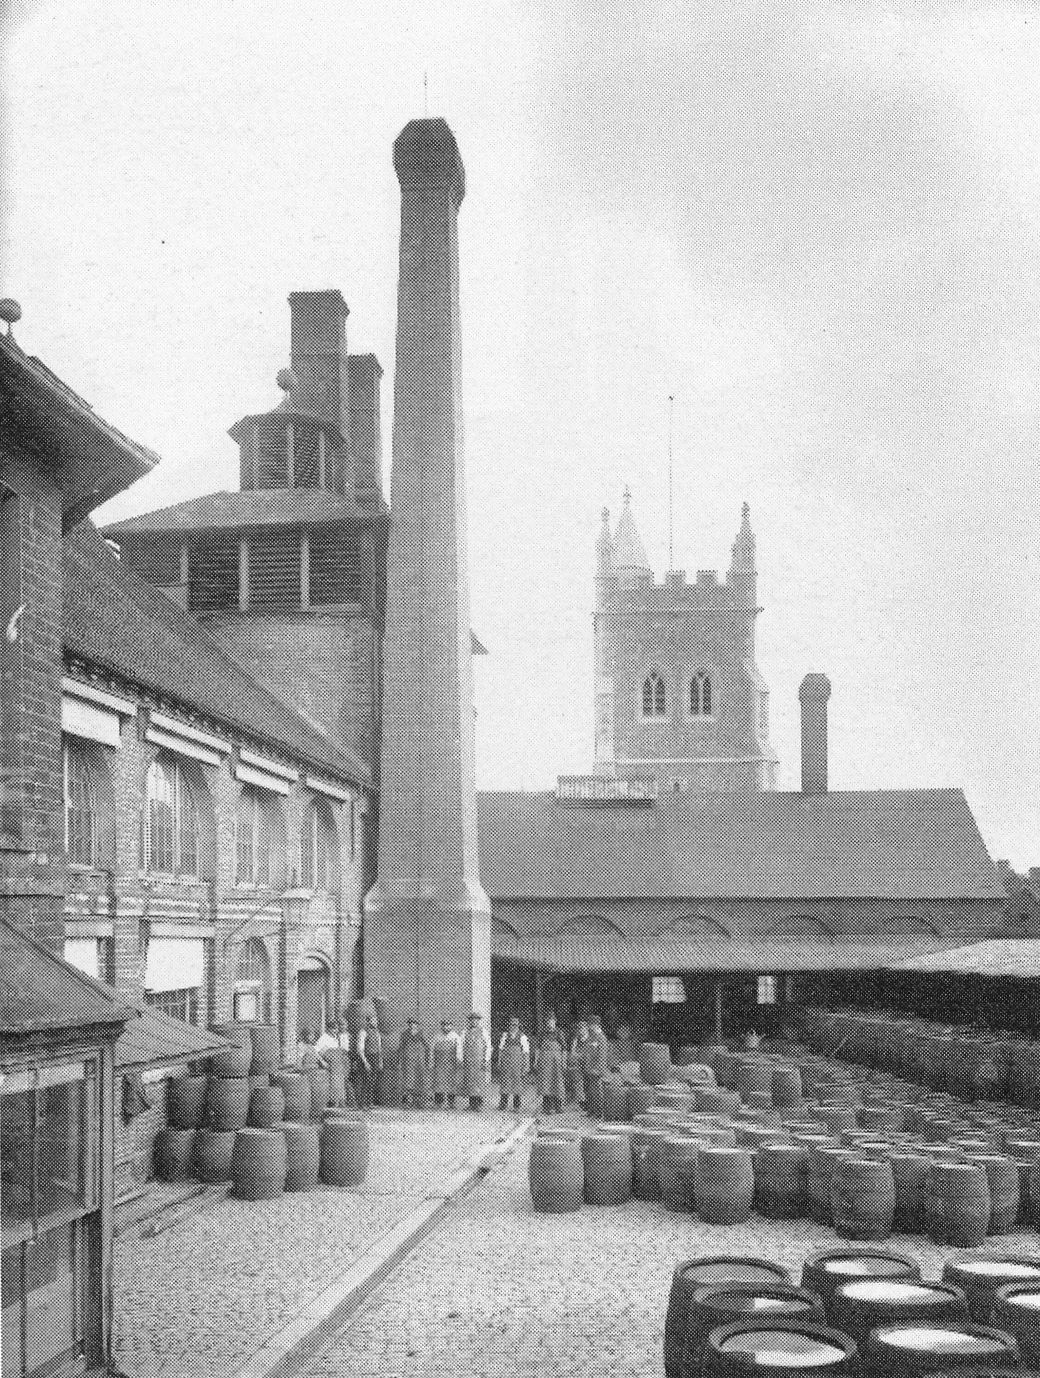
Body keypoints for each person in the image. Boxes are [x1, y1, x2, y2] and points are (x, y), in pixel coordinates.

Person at [534, 1012, 566, 1114]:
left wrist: (564, 1061)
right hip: (544, 1061)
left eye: (552, 1021)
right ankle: (547, 1107)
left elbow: (564, 1049)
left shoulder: (559, 1032)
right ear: (546, 1022)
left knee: (557, 1083)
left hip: (556, 1062)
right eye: (548, 1021)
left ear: (555, 1022)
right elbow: (538, 1048)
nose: (550, 1023)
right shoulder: (542, 1032)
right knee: (545, 1083)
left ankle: (558, 1106)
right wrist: (536, 1060)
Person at [497, 1016, 530, 1112]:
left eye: (515, 1025)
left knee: (517, 1083)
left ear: (518, 1026)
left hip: (517, 1064)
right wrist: (499, 1062)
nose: (513, 1027)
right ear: (509, 1025)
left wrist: (526, 1065)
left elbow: (526, 1052)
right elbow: (501, 1049)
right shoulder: (505, 1035)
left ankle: (517, 1106)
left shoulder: (522, 1036)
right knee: (505, 1083)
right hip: (506, 1064)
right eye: (512, 1025)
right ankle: (503, 1104)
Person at [461, 1012, 491, 1110]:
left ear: (478, 1021)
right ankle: (471, 1103)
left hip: (479, 1061)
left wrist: (486, 1059)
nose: (474, 1021)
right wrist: (461, 1059)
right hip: (468, 1061)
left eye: (476, 1019)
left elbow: (489, 1046)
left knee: (479, 1081)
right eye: (472, 1019)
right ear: (469, 1021)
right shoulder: (465, 1032)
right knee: (469, 1081)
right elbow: (460, 1046)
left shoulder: (483, 1032)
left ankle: (478, 1103)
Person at [397, 1017, 429, 1108]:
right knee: (408, 1081)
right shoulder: (404, 1034)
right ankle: (408, 1102)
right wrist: (399, 1061)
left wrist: (427, 1060)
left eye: (414, 1023)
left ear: (417, 1024)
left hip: (419, 1061)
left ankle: (419, 1102)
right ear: (408, 1024)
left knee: (419, 1080)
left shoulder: (421, 1033)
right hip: (408, 1061)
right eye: (410, 1023)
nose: (412, 1025)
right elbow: (400, 1048)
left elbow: (427, 1046)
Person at [582, 1015, 610, 1120]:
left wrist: (598, 1069)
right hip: (588, 1068)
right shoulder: (590, 1036)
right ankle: (590, 1110)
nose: (589, 1027)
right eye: (589, 1025)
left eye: (591, 1025)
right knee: (588, 1090)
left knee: (596, 1091)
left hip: (596, 1069)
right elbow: (586, 1051)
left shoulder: (601, 1037)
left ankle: (598, 1112)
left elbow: (602, 1055)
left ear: (596, 1025)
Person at [431, 1018, 462, 1108]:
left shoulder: (455, 1036)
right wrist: (432, 1062)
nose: (446, 1027)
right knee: (438, 1082)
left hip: (451, 1062)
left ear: (451, 1026)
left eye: (448, 1025)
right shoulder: (437, 1036)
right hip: (439, 1063)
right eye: (444, 1025)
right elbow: (432, 1049)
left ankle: (451, 1103)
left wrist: (459, 1060)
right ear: (441, 1026)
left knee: (451, 1082)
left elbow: (459, 1050)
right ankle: (438, 1102)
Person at [352, 1015, 382, 1109]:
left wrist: (380, 1061)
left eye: (376, 1020)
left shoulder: (377, 1032)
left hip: (375, 1057)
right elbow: (359, 1049)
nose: (375, 1022)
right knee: (365, 1081)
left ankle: (370, 1103)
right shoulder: (363, 1032)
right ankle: (362, 1104)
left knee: (372, 1081)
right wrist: (365, 1062)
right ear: (368, 1021)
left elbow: (379, 1047)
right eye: (373, 1020)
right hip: (366, 1057)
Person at [566, 1019, 590, 1106]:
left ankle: (589, 1101)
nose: (581, 1030)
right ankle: (582, 1101)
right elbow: (573, 1052)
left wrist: (582, 1055)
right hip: (579, 1064)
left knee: (588, 1082)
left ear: (586, 1029)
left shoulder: (590, 1038)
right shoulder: (576, 1039)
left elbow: (591, 1052)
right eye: (579, 1029)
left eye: (583, 1028)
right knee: (578, 1082)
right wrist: (580, 1055)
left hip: (589, 1063)